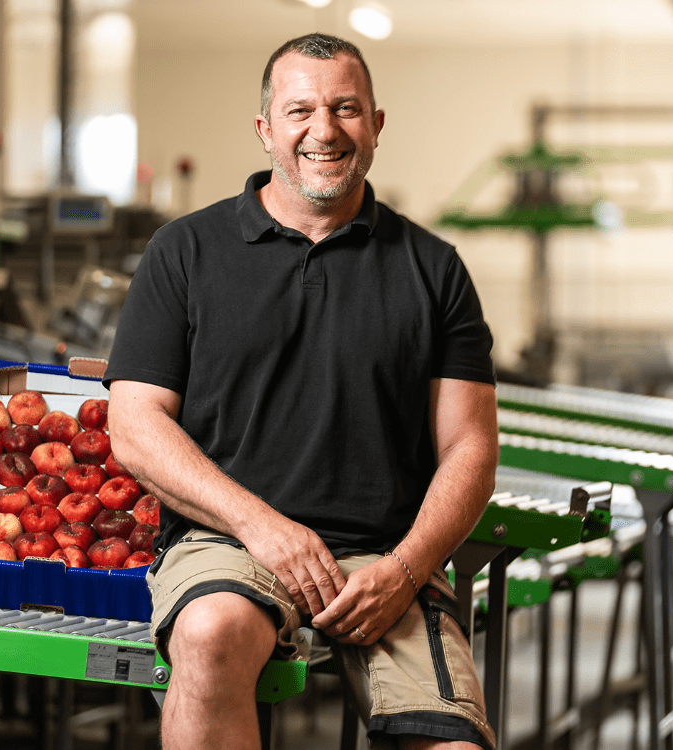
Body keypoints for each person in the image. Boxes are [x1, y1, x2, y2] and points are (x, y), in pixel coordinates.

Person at [105, 33, 498, 750]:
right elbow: (134, 425)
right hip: (226, 540)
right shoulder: (184, 253)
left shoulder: (434, 270)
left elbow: (470, 447)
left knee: (454, 746)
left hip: (386, 555)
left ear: (376, 125)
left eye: (346, 108)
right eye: (300, 110)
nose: (324, 129)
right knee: (210, 631)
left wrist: (406, 569)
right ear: (265, 131)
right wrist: (263, 527)